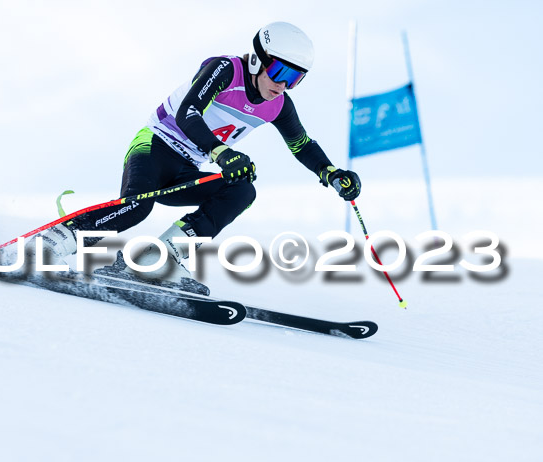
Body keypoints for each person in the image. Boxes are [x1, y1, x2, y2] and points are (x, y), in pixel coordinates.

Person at [36, 21, 361, 293]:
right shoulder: (224, 69)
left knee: (242, 190)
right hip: (155, 147)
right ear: (258, 59)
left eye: (296, 78)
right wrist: (222, 153)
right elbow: (187, 114)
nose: (283, 85)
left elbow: (301, 144)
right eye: (279, 72)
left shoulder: (278, 104)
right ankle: (50, 244)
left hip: (188, 167)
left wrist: (330, 173)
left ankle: (155, 262)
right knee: (135, 207)